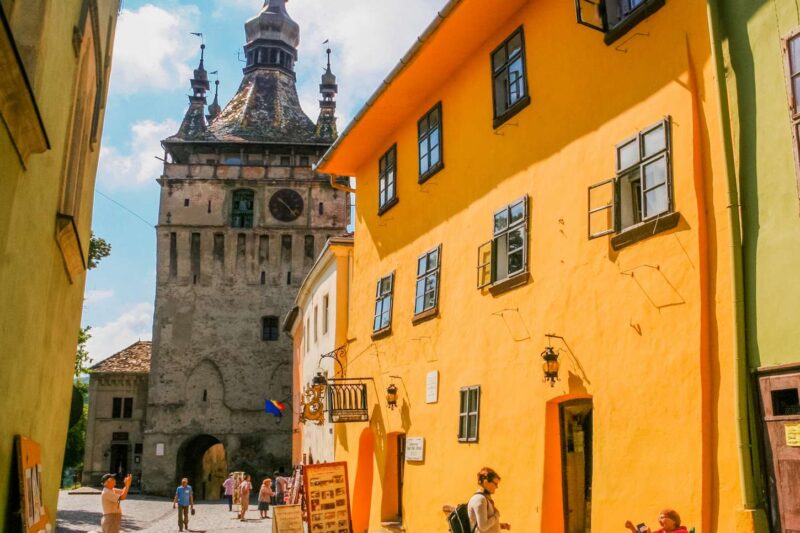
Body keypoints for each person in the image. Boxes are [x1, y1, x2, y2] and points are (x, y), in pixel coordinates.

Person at [468, 467, 511, 532]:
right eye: (495, 483)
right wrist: (496, 515)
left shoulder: (483, 498)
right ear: (486, 482)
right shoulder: (480, 499)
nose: (497, 487)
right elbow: (483, 527)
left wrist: (500, 525)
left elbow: (484, 525)